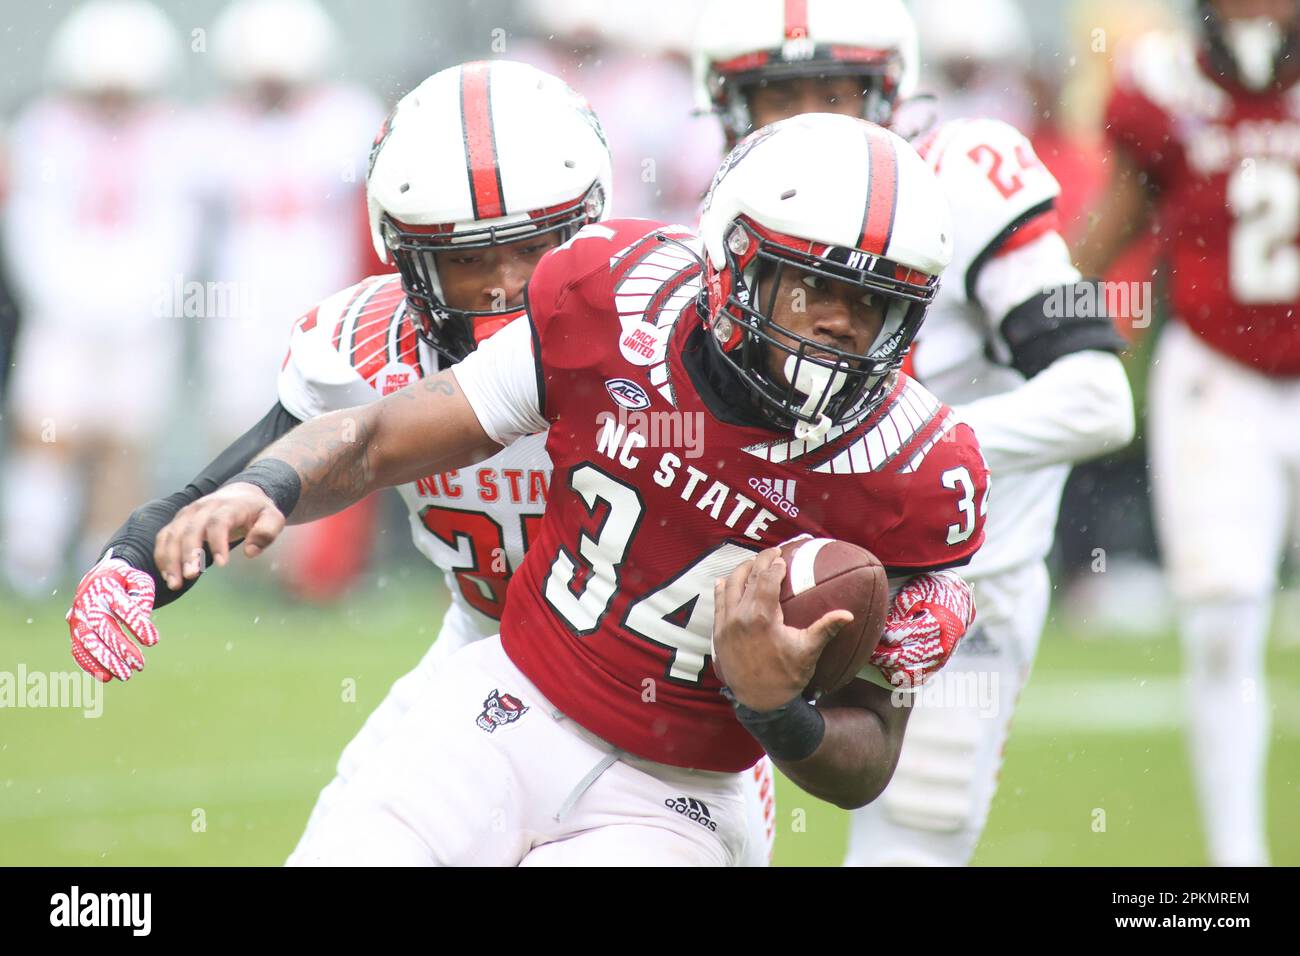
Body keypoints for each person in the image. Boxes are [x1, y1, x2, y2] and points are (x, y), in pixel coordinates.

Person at [144, 113, 986, 865]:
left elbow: (868, 760)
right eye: (814, 287)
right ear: (732, 261)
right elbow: (383, 434)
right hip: (503, 706)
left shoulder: (916, 472)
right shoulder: (615, 303)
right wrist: (272, 483)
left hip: (678, 800)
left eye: (875, 303)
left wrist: (777, 711)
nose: (841, 322)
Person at [64, 60, 780, 864]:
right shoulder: (366, 348)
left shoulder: (679, 332)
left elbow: (839, 462)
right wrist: (131, 560)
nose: (513, 288)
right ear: (408, 261)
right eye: (470, 261)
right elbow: (241, 482)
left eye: (537, 247)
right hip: (480, 673)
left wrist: (926, 591)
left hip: (672, 719)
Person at [693, 0, 1134, 866]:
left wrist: (901, 451)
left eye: (836, 90)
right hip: (780, 568)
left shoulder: (963, 176)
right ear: (731, 107)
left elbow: (1098, 395)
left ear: (892, 91)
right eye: (781, 96)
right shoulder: (739, 206)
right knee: (684, 812)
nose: (812, 120)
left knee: (912, 846)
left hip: (956, 589)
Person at [1075, 0, 1300, 867]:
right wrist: (1052, 304)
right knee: (1221, 625)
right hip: (1217, 371)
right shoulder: (1166, 85)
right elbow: (1118, 216)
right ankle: (1237, 866)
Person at [1, 0, 199, 595]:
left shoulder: (172, 135)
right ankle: (28, 561)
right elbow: (28, 228)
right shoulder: (43, 130)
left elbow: (178, 232)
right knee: (46, 433)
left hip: (141, 317)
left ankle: (104, 564)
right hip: (63, 313)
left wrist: (142, 303)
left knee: (122, 440)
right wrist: (64, 299)